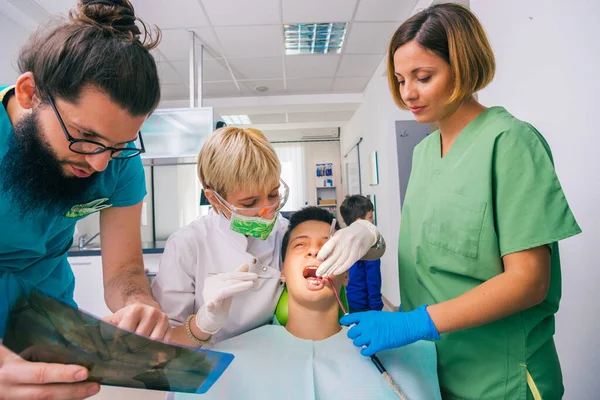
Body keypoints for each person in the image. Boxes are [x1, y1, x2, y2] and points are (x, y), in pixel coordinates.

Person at [318, 4, 581, 400]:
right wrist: (369, 237)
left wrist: (414, 323)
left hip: (499, 378)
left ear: (463, 67)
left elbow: (530, 281)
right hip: (433, 371)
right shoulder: (424, 154)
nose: (408, 93)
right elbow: (430, 253)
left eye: (423, 77)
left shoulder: (509, 143)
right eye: (401, 79)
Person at [0, 1, 171, 398]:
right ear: (29, 94)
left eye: (118, 145)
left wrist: (138, 304)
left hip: (45, 315)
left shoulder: (117, 163)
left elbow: (123, 270)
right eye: (85, 137)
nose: (97, 163)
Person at [174, 207, 441, 400]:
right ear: (282, 273)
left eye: (329, 247)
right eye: (300, 246)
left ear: (346, 273)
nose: (315, 251)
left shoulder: (407, 356)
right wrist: (200, 325)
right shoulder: (227, 361)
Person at [152, 127, 386, 348]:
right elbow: (164, 345)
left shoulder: (285, 232)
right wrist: (202, 324)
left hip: (275, 355)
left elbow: (369, 251)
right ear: (214, 199)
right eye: (250, 203)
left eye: (273, 194)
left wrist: (367, 232)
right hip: (212, 368)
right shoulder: (187, 245)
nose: (269, 211)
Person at [340, 195, 384, 313]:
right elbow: (373, 279)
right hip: (365, 306)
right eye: (370, 217)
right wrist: (376, 308)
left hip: (346, 302)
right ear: (360, 222)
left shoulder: (343, 240)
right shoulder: (370, 245)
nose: (373, 220)